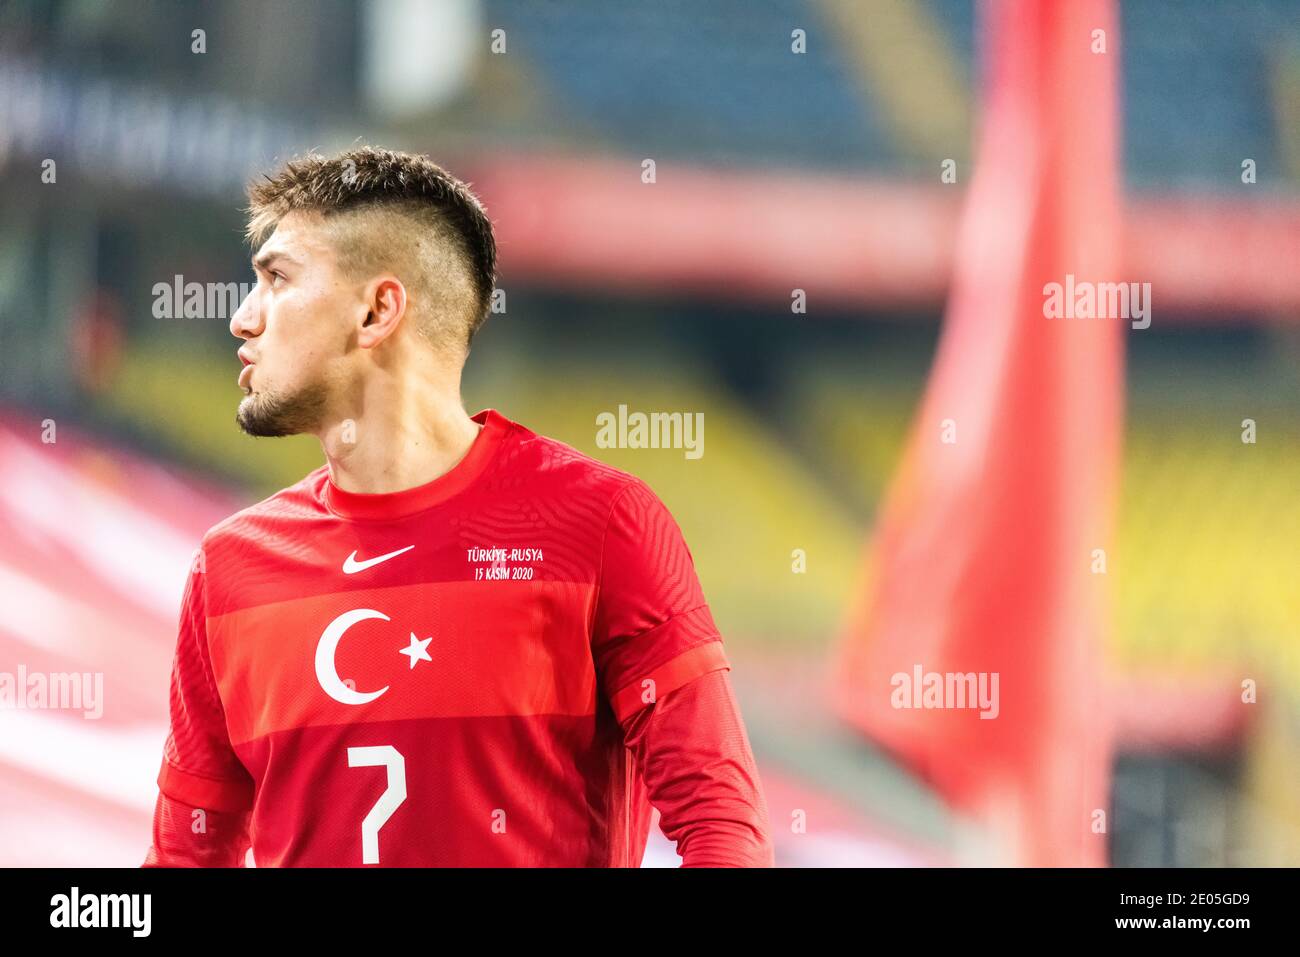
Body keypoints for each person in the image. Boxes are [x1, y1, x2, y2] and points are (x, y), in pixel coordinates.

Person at [142, 146, 773, 867]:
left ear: (378, 310)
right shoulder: (227, 568)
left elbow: (723, 825)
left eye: (276, 279)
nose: (242, 319)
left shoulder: (601, 524)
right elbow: (186, 857)